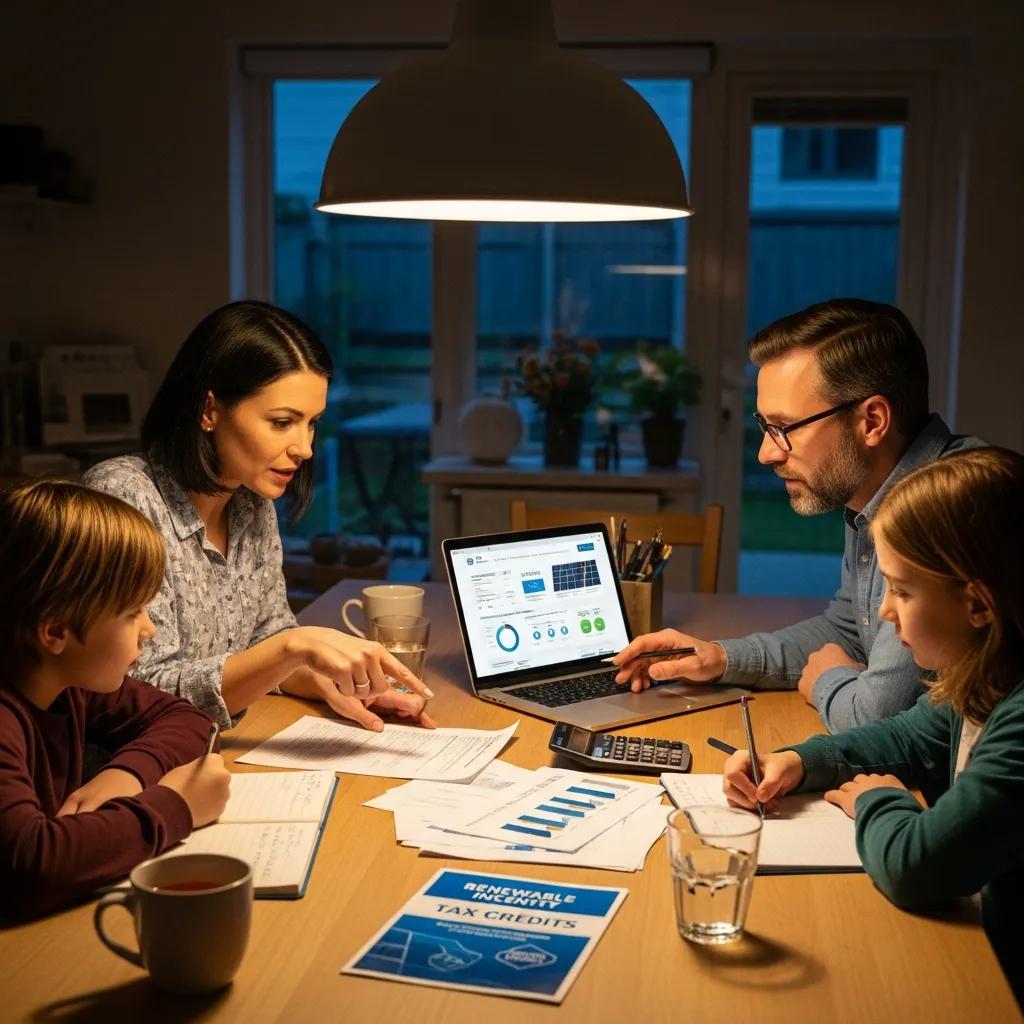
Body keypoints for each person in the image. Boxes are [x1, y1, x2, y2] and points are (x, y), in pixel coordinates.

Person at [722, 448, 1024, 1003]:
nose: (885, 611)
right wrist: (797, 760)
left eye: (903, 591)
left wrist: (878, 802)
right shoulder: (985, 675)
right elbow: (907, 737)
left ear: (978, 606)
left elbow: (918, 867)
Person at [613, 298, 985, 731]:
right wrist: (720, 657)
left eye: (785, 428)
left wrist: (826, 678)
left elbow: (877, 714)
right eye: (764, 426)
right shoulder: (874, 492)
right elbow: (849, 632)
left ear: (872, 421)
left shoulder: (945, 508)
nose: (766, 452)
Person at [85, 300, 434, 733]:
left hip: (216, 751)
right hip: (131, 770)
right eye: (283, 422)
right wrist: (293, 647)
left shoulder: (251, 504)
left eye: (312, 423)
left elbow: (266, 641)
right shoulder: (124, 496)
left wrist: (346, 683)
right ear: (209, 410)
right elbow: (135, 692)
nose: (305, 448)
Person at [0, 481, 231, 920]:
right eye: (131, 613)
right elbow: (31, 865)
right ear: (55, 632)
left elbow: (190, 721)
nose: (150, 629)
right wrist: (176, 807)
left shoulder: (69, 682)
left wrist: (129, 772)